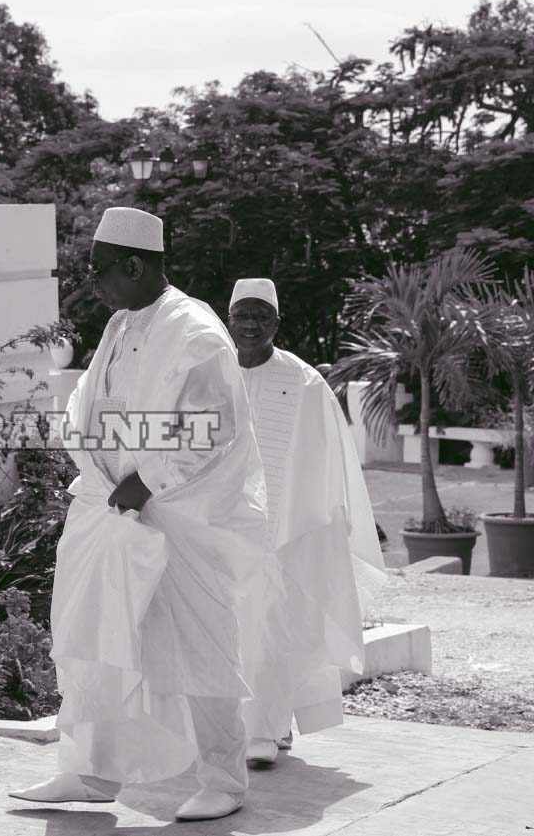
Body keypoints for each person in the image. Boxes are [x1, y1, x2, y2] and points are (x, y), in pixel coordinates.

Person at [9, 207, 270, 823]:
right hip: (110, 507)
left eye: (99, 271)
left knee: (198, 645)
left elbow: (212, 426)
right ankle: (93, 772)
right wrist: (101, 472)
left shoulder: (195, 329)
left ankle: (225, 780)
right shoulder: (123, 323)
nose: (93, 285)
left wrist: (144, 481)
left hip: (182, 517)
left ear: (133, 263)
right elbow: (90, 403)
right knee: (93, 634)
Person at [227, 279, 387, 764]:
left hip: (285, 528)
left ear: (276, 322)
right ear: (229, 319)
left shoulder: (302, 380)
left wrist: (311, 523)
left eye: (262, 315)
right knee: (231, 630)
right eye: (242, 314)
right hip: (220, 527)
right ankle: (248, 726)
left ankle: (264, 730)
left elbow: (324, 459)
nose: (251, 324)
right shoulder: (210, 371)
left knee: (274, 625)